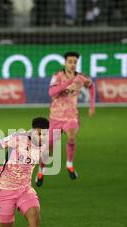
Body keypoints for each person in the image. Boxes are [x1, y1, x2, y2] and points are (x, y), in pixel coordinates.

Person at [35, 51, 95, 187]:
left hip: (71, 116)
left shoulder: (81, 78)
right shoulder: (57, 76)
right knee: (48, 148)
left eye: (75, 62)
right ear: (65, 63)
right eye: (70, 62)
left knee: (72, 136)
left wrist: (92, 106)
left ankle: (69, 164)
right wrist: (66, 84)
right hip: (55, 117)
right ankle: (41, 171)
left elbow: (91, 86)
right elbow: (51, 92)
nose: (72, 64)